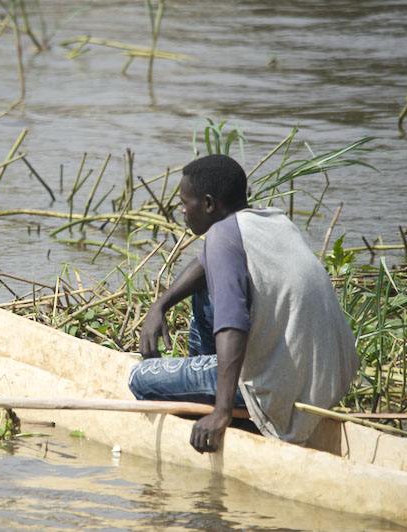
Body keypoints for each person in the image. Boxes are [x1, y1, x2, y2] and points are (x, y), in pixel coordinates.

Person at [129, 154, 359, 453]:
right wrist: (160, 304)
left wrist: (222, 412)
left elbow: (232, 325)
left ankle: (218, 399)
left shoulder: (222, 237)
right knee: (203, 289)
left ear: (209, 204)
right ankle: (207, 382)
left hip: (282, 387)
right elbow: (204, 265)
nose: (182, 211)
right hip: (331, 379)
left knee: (140, 378)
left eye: (186, 203)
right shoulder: (273, 221)